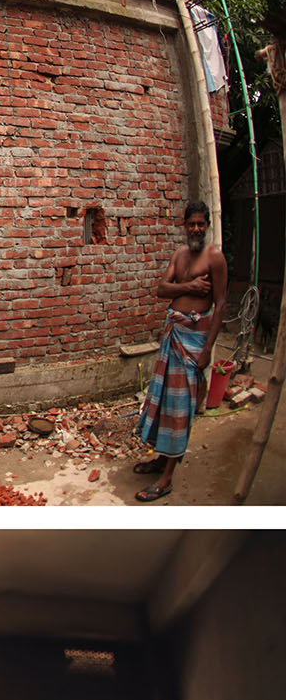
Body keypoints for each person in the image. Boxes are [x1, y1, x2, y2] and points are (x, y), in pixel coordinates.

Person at [133, 200, 227, 501]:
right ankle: (160, 458)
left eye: (201, 224)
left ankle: (167, 478)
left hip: (194, 339)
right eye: (191, 224)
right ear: (184, 225)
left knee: (179, 409)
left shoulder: (215, 257)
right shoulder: (180, 254)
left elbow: (221, 303)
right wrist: (188, 287)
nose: (196, 229)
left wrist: (208, 349)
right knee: (161, 402)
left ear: (207, 225)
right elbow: (162, 289)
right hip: (173, 334)